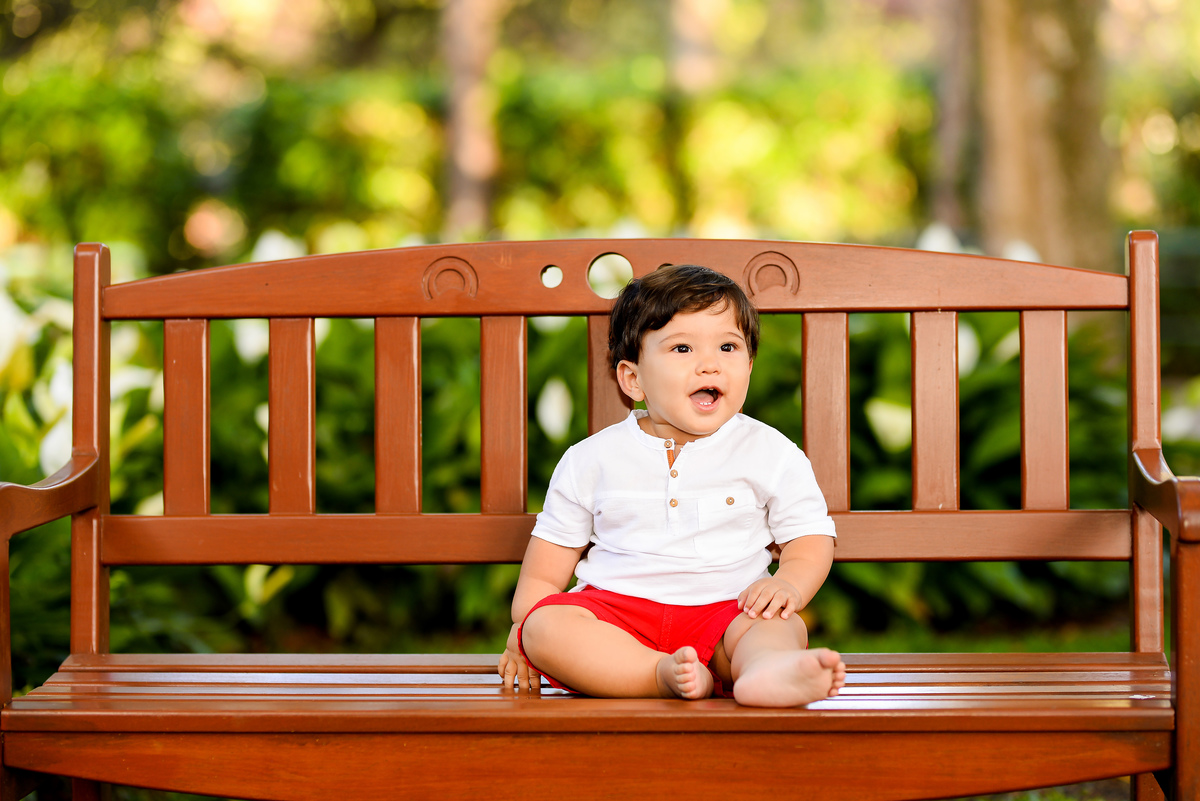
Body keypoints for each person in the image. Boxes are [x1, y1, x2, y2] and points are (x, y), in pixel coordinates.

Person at [497, 264, 846, 706]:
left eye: (727, 346)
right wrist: (521, 633)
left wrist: (790, 583)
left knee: (778, 626)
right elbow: (546, 570)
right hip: (617, 616)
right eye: (682, 347)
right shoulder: (591, 459)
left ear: (749, 366)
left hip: (728, 610)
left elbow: (810, 538)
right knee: (545, 626)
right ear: (634, 380)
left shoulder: (770, 453)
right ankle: (657, 674)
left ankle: (765, 673)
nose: (710, 363)